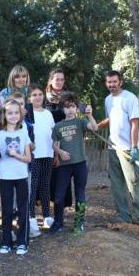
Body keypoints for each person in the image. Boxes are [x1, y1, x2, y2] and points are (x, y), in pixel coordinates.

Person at [97, 70, 139, 229]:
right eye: (109, 82)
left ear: (120, 82)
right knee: (117, 184)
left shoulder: (129, 98)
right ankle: (124, 215)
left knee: (135, 182)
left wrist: (133, 148)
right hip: (113, 148)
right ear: (106, 83)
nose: (112, 85)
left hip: (128, 149)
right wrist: (98, 126)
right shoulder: (108, 100)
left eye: (114, 82)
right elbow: (112, 119)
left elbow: (135, 123)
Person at [49, 92, 98, 234]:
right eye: (66, 107)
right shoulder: (58, 126)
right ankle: (58, 222)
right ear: (62, 109)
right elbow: (54, 145)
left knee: (80, 194)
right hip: (64, 166)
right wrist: (60, 152)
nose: (70, 110)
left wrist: (89, 115)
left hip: (80, 164)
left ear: (76, 108)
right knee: (58, 196)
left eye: (72, 107)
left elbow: (94, 127)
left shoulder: (80, 122)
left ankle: (79, 223)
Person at [0, 99, 32, 255]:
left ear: (20, 114)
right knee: (6, 209)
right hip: (5, 177)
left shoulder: (23, 133)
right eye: (9, 113)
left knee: (22, 209)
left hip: (21, 176)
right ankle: (6, 242)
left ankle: (22, 242)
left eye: (16, 112)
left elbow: (28, 158)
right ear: (4, 115)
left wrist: (16, 155)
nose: (13, 115)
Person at [27, 83, 55, 237]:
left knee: (45, 186)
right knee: (33, 187)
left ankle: (47, 216)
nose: (37, 97)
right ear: (29, 98)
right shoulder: (27, 114)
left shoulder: (48, 114)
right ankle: (31, 217)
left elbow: (52, 134)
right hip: (33, 156)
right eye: (34, 95)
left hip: (48, 154)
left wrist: (56, 152)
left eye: (39, 94)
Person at [44, 68, 72, 211]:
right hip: (47, 140)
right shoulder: (43, 98)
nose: (60, 82)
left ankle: (60, 205)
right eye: (57, 79)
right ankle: (45, 206)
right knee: (48, 173)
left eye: (62, 79)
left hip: (64, 139)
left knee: (62, 172)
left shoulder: (68, 98)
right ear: (51, 80)